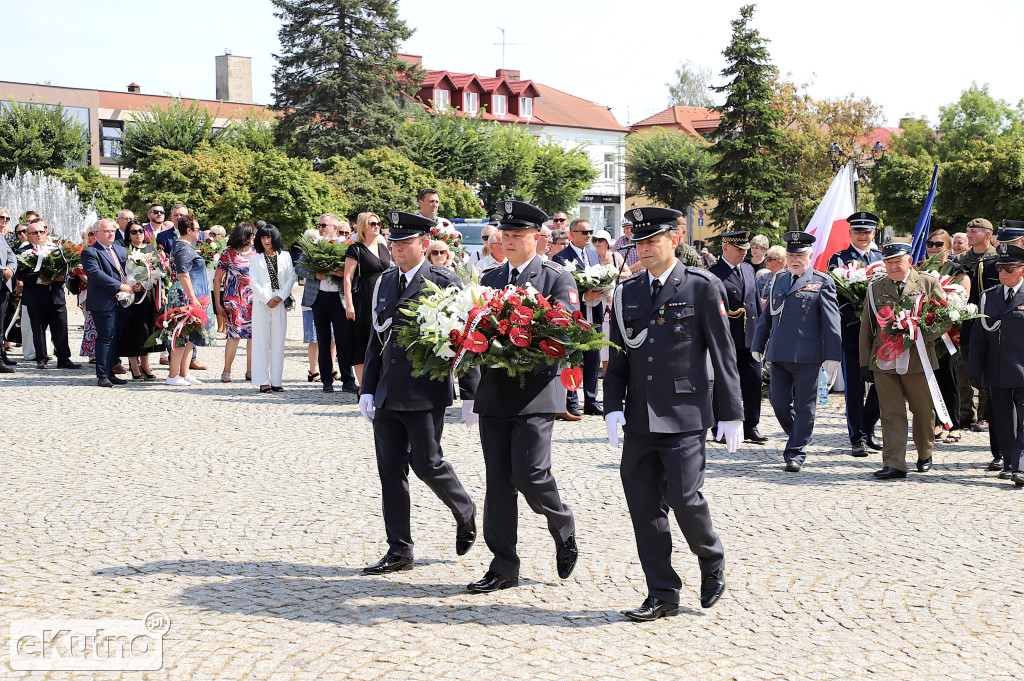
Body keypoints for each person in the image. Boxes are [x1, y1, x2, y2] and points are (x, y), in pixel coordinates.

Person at [604, 206, 740, 620]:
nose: (643, 249)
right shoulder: (626, 291)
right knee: (644, 508)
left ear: (675, 239)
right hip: (641, 416)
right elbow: (619, 356)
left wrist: (731, 412)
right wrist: (611, 406)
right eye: (637, 242)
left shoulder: (701, 285)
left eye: (652, 241)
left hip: (684, 413)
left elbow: (723, 351)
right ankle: (662, 592)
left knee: (684, 497)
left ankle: (710, 555)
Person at [358, 211, 480, 575]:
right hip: (387, 391)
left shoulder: (444, 281)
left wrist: (471, 393)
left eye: (405, 242)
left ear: (424, 245)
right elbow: (376, 338)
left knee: (428, 462)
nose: (397, 249)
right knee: (390, 472)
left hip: (425, 391)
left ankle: (465, 509)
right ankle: (399, 549)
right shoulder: (384, 282)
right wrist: (367, 388)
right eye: (394, 242)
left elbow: (466, 339)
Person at [468, 200, 579, 594]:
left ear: (538, 238)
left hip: (536, 392)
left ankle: (562, 523)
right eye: (506, 234)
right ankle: (503, 565)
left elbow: (565, 334)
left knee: (531, 474)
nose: (509, 240)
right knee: (498, 482)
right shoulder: (490, 277)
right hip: (496, 391)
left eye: (518, 235)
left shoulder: (556, 278)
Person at [751, 232, 842, 471]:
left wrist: (833, 354)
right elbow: (766, 317)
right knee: (778, 401)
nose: (795, 259)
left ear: (810, 256)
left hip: (807, 355)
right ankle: (799, 434)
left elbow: (831, 322)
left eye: (800, 255)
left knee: (804, 405)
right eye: (791, 255)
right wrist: (757, 346)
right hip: (779, 352)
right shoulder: (778, 279)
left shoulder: (822, 281)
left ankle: (795, 452)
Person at [859, 243, 948, 480]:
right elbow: (867, 326)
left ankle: (925, 452)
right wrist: (864, 362)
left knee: (922, 410)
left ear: (909, 260)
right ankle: (895, 463)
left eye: (898, 261)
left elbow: (944, 318)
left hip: (918, 358)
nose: (893, 266)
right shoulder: (876, 286)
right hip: (884, 359)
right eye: (888, 263)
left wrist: (920, 335)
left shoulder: (927, 282)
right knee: (891, 413)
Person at [965, 222, 1024, 471]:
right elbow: (979, 337)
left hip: (1022, 369)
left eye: (1009, 269)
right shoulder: (990, 295)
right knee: (1001, 420)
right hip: (997, 371)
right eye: (1000, 268)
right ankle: (1010, 462)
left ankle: (1020, 466)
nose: (1003, 273)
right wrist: (974, 370)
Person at [827, 212, 885, 456]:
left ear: (874, 234)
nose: (863, 236)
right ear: (850, 233)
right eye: (858, 231)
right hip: (852, 329)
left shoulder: (883, 259)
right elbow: (833, 294)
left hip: (882, 330)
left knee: (883, 381)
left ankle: (869, 426)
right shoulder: (839, 259)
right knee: (854, 384)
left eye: (867, 232)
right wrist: (853, 311)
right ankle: (857, 436)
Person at [709, 231, 765, 443]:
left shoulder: (749, 270)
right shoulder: (714, 273)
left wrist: (761, 332)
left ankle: (751, 425)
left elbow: (755, 303)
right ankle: (719, 426)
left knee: (754, 380)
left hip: (749, 336)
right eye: (739, 249)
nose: (744, 253)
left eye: (745, 249)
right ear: (726, 248)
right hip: (727, 337)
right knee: (725, 383)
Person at [552, 218, 603, 419]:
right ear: (572, 233)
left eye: (590, 231)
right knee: (574, 358)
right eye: (584, 232)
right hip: (575, 316)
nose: (589, 235)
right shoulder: (561, 257)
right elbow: (563, 291)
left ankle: (591, 400)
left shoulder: (593, 254)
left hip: (595, 313)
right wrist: (583, 297)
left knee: (593, 358)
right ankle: (571, 400)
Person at [923, 229, 970, 444]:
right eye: (930, 244)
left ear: (949, 248)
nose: (933, 248)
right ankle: (934, 423)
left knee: (948, 379)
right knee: (927, 380)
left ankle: (954, 425)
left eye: (938, 244)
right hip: (924, 333)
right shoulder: (919, 270)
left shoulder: (958, 271)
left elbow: (962, 299)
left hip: (948, 334)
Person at [81, 220, 141, 387]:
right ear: (96, 233)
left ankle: (110, 372)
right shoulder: (90, 252)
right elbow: (95, 274)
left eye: (112, 231)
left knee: (116, 338)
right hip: (104, 302)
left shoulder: (121, 250)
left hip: (123, 302)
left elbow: (130, 270)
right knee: (105, 338)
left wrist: (137, 283)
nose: (110, 234)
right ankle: (102, 375)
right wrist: (120, 285)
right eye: (106, 231)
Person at [305, 214, 358, 394]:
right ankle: (326, 379)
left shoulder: (346, 245)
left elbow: (355, 269)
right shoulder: (313, 244)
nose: (320, 228)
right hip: (319, 298)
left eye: (324, 225)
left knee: (344, 340)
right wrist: (315, 275)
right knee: (323, 339)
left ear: (334, 227)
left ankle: (348, 379)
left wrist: (340, 272)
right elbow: (299, 267)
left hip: (339, 298)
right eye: (319, 225)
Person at [16, 219, 79, 370]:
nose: (39, 235)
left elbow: (67, 267)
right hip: (35, 297)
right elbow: (20, 274)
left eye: (41, 232)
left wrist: (61, 276)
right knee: (38, 329)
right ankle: (41, 358)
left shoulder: (56, 249)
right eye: (35, 233)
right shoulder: (23, 252)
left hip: (56, 296)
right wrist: (39, 280)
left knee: (61, 328)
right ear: (28, 235)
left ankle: (64, 358)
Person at [954, 217, 996, 431]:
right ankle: (964, 414)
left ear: (987, 235)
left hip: (989, 322)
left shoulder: (998, 260)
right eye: (968, 231)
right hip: (965, 322)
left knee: (988, 369)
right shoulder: (959, 259)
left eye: (974, 232)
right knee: (962, 369)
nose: (968, 235)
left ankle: (985, 416)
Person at [165, 215, 216, 386]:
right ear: (189, 231)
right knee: (180, 335)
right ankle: (173, 376)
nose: (200, 232)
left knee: (190, 336)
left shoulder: (186, 247)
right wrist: (193, 298)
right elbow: (183, 274)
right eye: (197, 229)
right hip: (184, 296)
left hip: (190, 295)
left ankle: (184, 373)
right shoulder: (182, 248)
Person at [344, 212, 393, 387]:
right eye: (372, 223)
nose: (376, 226)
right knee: (362, 341)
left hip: (383, 299)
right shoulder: (355, 249)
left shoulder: (383, 248)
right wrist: (349, 304)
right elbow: (347, 278)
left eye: (378, 223)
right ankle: (363, 386)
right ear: (364, 226)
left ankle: (378, 383)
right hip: (363, 299)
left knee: (381, 341)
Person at [249, 224, 295, 393]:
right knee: (261, 341)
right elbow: (253, 281)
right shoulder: (255, 258)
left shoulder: (286, 256)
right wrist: (267, 298)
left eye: (269, 237)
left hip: (280, 301)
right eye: (262, 237)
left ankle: (276, 381)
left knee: (278, 342)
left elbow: (291, 277)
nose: (266, 240)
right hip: (262, 302)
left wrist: (280, 296)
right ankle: (263, 380)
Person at [213, 222, 255, 383]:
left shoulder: (256, 253)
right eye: (252, 235)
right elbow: (217, 280)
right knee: (233, 336)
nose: (254, 239)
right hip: (234, 301)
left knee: (253, 336)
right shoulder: (227, 253)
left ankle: (251, 370)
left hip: (253, 300)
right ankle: (226, 370)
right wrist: (218, 303)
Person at [118, 220, 159, 380]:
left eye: (140, 231)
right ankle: (134, 367)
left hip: (148, 295)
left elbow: (158, 271)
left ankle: (146, 365)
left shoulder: (151, 249)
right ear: (128, 234)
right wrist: (132, 284)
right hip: (131, 296)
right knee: (132, 331)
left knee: (146, 330)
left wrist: (159, 290)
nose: (138, 234)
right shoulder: (123, 250)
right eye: (134, 232)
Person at [592, 228, 630, 374]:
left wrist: (613, 274)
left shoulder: (615, 256)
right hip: (597, 296)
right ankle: (603, 366)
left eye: (600, 240)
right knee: (600, 329)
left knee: (610, 331)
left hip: (612, 296)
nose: (597, 243)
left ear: (607, 242)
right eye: (595, 240)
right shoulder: (592, 256)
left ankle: (610, 368)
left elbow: (628, 272)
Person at [298, 227, 331, 383]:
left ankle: (332, 369)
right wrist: (315, 275)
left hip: (331, 298)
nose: (312, 241)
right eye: (309, 239)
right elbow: (299, 269)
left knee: (332, 338)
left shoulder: (331, 249)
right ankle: (313, 370)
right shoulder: (307, 253)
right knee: (313, 338)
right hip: (311, 299)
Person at [77, 225, 97, 364]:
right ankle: (92, 354)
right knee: (89, 323)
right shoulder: (83, 251)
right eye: (91, 233)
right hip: (88, 291)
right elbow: (79, 272)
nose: (94, 235)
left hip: (105, 290)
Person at [0, 211, 17, 373]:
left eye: (7, 218)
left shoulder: (2, 238)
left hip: (4, 284)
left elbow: (12, 257)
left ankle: (1, 354)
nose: (4, 221)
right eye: (1, 217)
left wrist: (10, 268)